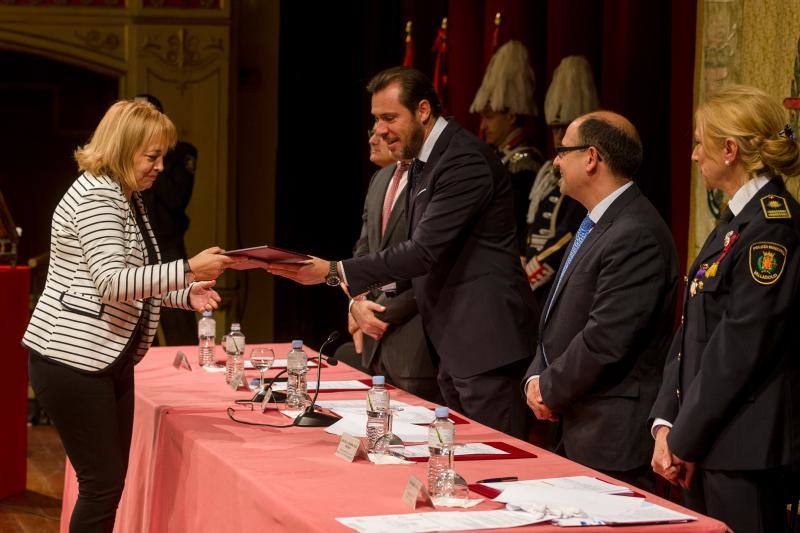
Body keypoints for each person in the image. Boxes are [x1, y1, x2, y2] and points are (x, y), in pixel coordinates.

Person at [268, 66, 537, 438]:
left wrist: (334, 270)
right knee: (458, 464)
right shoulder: (426, 162)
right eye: (376, 119)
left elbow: (422, 251)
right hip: (453, 346)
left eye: (389, 117)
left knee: (494, 470)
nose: (379, 130)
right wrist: (358, 301)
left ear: (423, 111)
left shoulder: (463, 160)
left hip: (485, 345)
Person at [21, 99, 239, 532]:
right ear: (123, 148)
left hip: (104, 360)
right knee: (102, 484)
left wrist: (183, 293)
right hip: (74, 361)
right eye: (152, 156)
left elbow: (133, 278)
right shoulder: (99, 195)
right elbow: (112, 282)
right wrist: (189, 268)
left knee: (107, 483)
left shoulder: (123, 193)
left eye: (164, 156)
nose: (160, 167)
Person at [649, 85, 800, 532]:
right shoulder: (736, 222)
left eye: (700, 142)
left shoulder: (772, 229)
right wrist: (666, 423)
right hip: (711, 441)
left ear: (730, 149)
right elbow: (691, 331)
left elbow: (739, 349)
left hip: (746, 452)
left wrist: (684, 437)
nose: (695, 155)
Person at [523, 111, 679, 491]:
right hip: (580, 422)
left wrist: (548, 387)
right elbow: (561, 315)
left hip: (612, 437)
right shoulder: (598, 220)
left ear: (591, 158)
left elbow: (605, 338)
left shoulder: (636, 233)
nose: (555, 161)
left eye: (563, 151)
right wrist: (535, 377)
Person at [349, 131, 441, 402]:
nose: (374, 139)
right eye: (371, 131)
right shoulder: (379, 180)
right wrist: (356, 305)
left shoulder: (432, 178)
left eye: (387, 126)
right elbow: (362, 252)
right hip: (375, 346)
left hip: (416, 342)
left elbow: (429, 261)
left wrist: (379, 314)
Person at [524, 56, 596, 320]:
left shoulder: (582, 178)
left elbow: (567, 236)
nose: (557, 137)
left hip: (553, 275)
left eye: (562, 129)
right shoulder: (547, 171)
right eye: (554, 128)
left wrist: (530, 274)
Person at [470, 40, 544, 257]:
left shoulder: (524, 163)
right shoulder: (500, 157)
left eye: (490, 117)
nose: (483, 126)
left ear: (511, 116)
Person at [135, 94, 199, 346]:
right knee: (136, 320)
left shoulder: (182, 154)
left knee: (178, 326)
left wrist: (151, 160)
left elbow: (176, 198)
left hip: (168, 244)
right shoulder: (124, 160)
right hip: (136, 242)